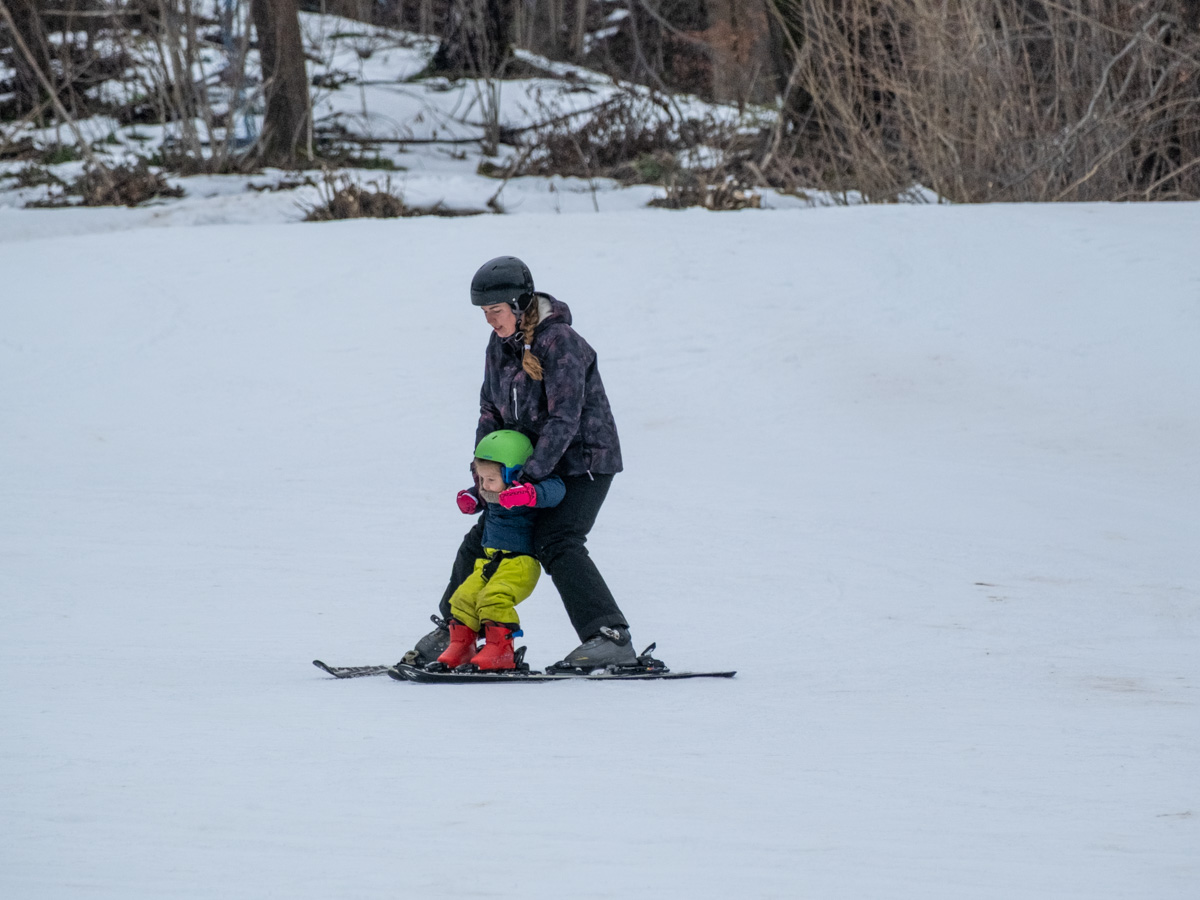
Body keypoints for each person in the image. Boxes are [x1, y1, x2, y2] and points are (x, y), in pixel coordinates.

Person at [403, 255, 638, 671]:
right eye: (484, 312)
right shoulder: (499, 345)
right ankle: (455, 628)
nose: (489, 320)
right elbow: (489, 410)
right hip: (527, 466)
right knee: (484, 536)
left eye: (495, 310)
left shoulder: (561, 342)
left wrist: (527, 478)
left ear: (519, 303)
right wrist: (485, 475)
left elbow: (565, 418)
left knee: (556, 538)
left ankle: (610, 637)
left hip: (583, 461)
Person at [436, 429, 565, 671]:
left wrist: (528, 494)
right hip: (490, 562)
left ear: (512, 473)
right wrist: (472, 498)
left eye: (490, 479)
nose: (484, 485)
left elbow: (556, 491)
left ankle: (501, 651)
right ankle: (462, 647)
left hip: (519, 564)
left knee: (494, 599)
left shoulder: (530, 489)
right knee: (463, 597)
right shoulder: (492, 489)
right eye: (481, 479)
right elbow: (483, 495)